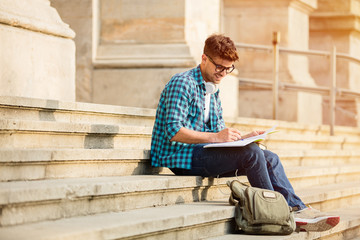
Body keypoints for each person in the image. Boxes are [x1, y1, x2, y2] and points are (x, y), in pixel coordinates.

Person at [150, 34, 339, 232]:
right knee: (251, 154)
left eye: (228, 69)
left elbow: (218, 132)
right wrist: (217, 137)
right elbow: (173, 130)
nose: (223, 73)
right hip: (178, 156)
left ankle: (296, 209)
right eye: (219, 67)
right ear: (204, 59)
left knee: (269, 158)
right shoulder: (182, 83)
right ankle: (276, 214)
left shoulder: (212, 89)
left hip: (200, 152)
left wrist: (242, 138)